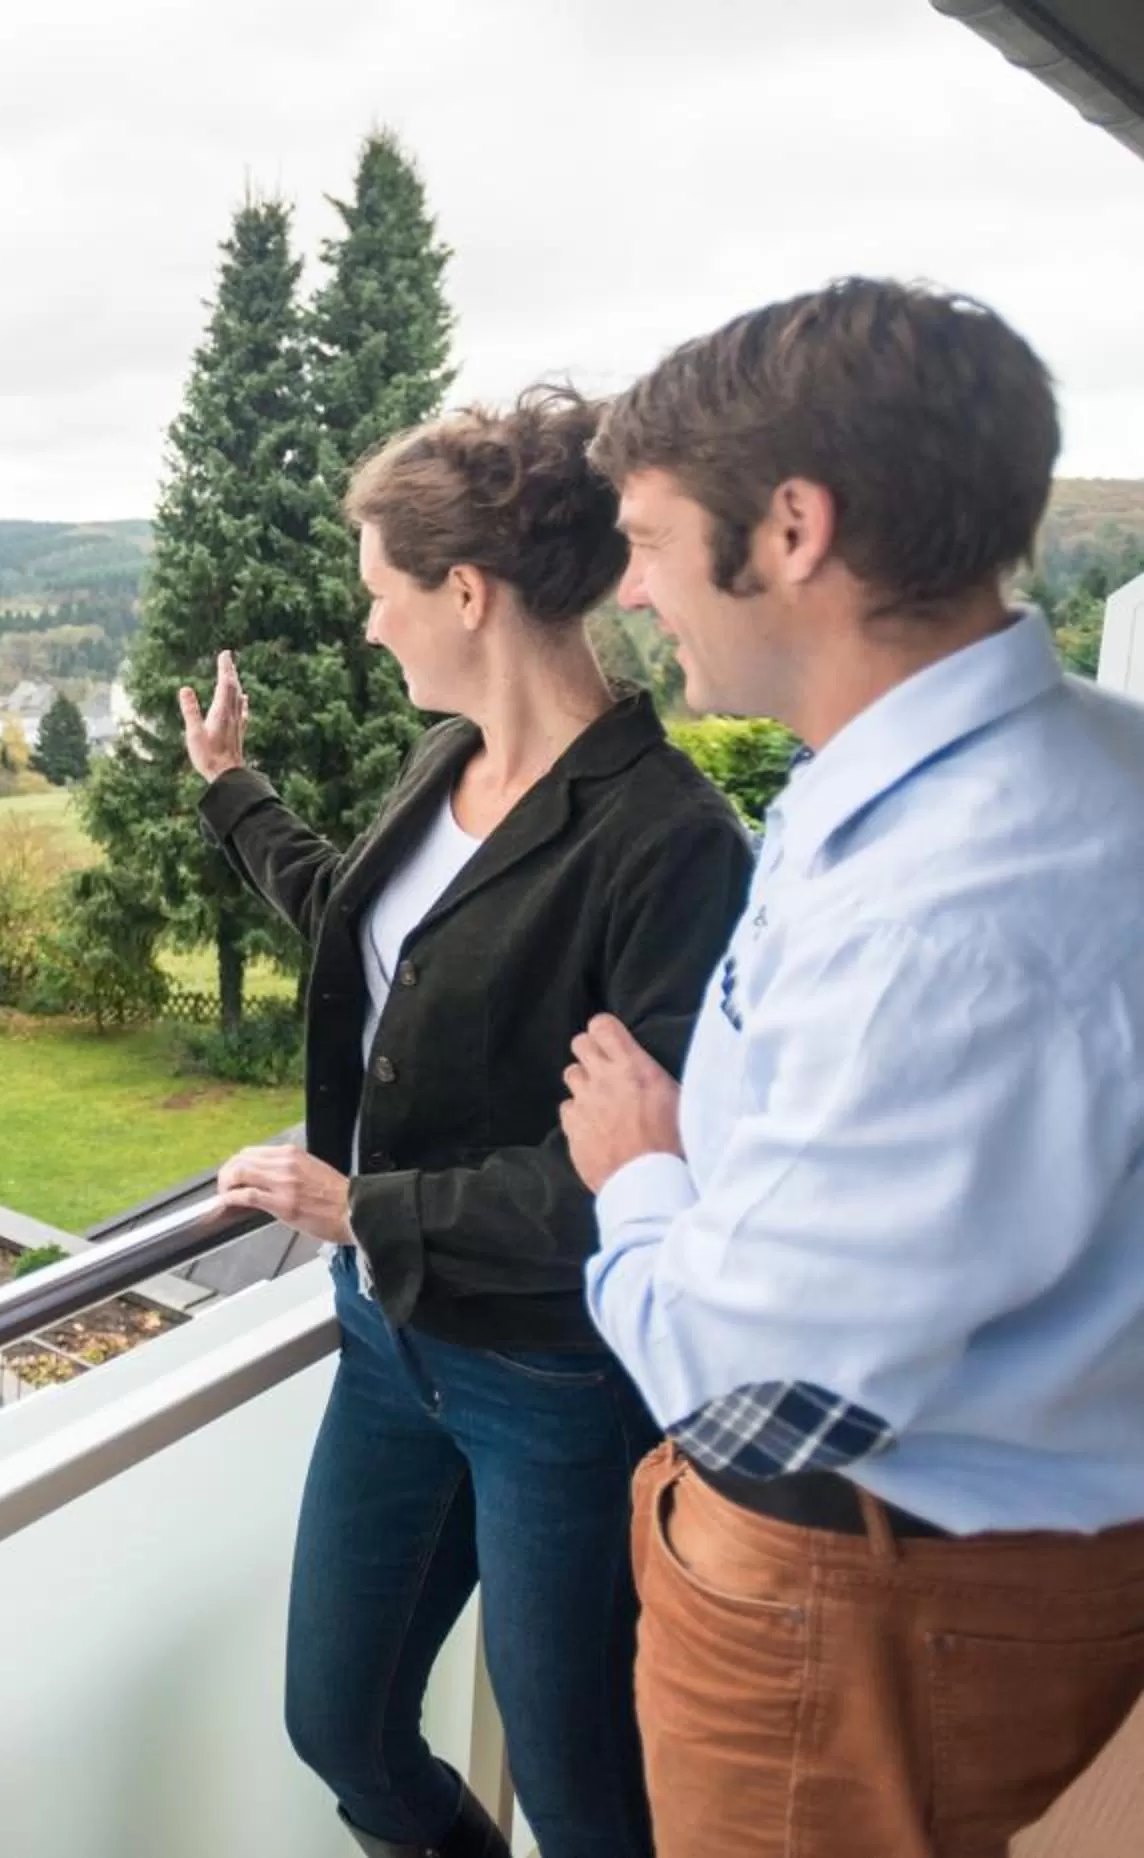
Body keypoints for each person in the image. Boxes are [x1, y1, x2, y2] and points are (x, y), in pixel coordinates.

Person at [562, 279, 1144, 1858]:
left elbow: (750, 1400)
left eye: (651, 539)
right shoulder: (1073, 762)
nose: (631, 588)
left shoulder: (950, 919)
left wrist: (643, 1177)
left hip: (876, 1610)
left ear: (794, 528)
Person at [182, 386, 753, 1858]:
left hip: (554, 1382)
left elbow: (637, 1173)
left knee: (586, 1805)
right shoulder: (450, 762)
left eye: (382, 590)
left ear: (467, 592)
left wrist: (356, 1205)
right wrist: (232, 789)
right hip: (391, 1343)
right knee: (343, 1724)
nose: (370, 625)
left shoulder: (671, 842)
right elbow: (369, 929)